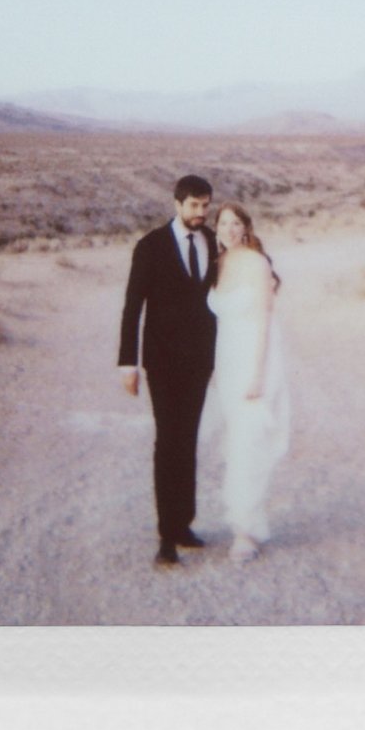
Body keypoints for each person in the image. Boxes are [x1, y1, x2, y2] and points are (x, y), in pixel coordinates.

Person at [118, 175, 218, 567]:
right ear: (177, 204)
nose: (201, 213)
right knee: (168, 442)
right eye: (194, 205)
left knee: (188, 439)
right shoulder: (151, 246)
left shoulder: (212, 241)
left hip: (199, 362)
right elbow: (132, 307)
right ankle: (166, 536)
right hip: (161, 362)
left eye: (206, 205)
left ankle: (183, 524)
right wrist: (128, 363)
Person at [206, 202, 292, 563]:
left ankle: (246, 531)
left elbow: (263, 321)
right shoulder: (218, 264)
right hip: (225, 365)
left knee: (249, 445)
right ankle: (240, 520)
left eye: (235, 223)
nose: (228, 229)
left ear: (246, 227)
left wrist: (257, 376)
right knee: (234, 444)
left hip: (253, 365)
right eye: (223, 223)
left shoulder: (257, 264)